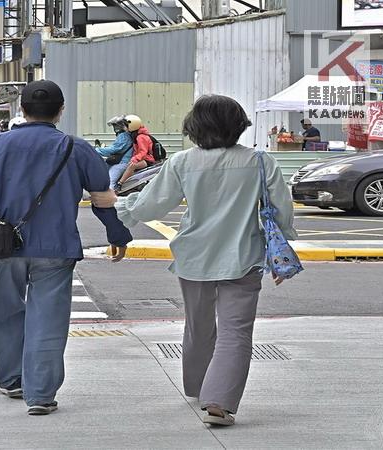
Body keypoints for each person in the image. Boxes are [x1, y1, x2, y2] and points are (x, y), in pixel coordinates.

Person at [108, 95, 297, 426]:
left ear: (194, 127)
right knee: (235, 331)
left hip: (194, 257)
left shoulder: (182, 162)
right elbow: (281, 209)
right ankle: (219, 401)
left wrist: (120, 208)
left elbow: (151, 206)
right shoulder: (259, 161)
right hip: (243, 256)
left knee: (198, 325)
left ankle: (198, 386)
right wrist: (280, 253)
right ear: (238, 126)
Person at [0, 80, 132, 416]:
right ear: (60, 111)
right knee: (48, 318)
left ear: (22, 110)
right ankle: (41, 394)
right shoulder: (76, 148)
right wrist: (116, 234)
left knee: (6, 310)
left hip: (7, 244)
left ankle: (12, 380)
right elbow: (102, 197)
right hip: (56, 246)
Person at [116, 114, 156, 191]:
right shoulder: (136, 135)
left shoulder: (141, 137)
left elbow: (143, 152)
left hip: (147, 160)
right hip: (142, 159)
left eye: (126, 125)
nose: (125, 127)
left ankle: (119, 184)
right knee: (129, 165)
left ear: (132, 126)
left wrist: (135, 159)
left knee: (132, 166)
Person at [94, 116, 135, 189]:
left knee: (110, 181)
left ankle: (110, 195)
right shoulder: (124, 135)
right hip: (120, 161)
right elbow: (115, 147)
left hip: (122, 162)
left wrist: (97, 150)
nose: (115, 127)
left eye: (116, 125)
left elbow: (114, 149)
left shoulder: (124, 136)